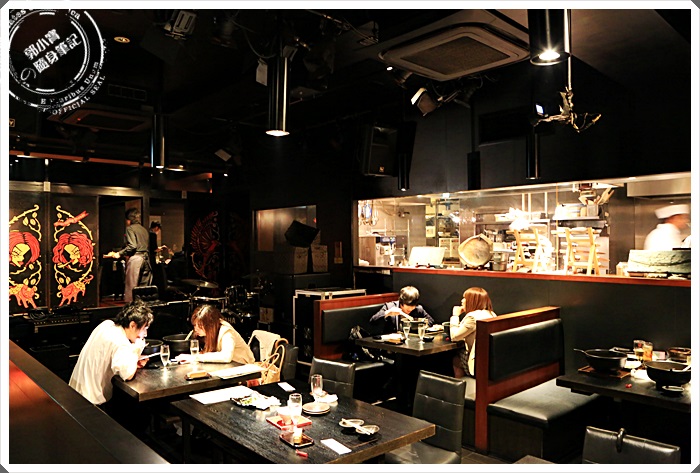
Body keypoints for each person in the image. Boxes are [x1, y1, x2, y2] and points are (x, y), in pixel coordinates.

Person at [69, 300, 153, 405]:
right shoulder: (121, 342)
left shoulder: (106, 325)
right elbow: (127, 375)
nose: (145, 334)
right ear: (132, 325)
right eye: (144, 328)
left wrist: (133, 362)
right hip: (89, 403)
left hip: (74, 392)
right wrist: (136, 351)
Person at [175, 304, 254, 364]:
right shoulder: (209, 333)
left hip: (244, 368)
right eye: (195, 325)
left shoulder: (227, 332)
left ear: (210, 325)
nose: (196, 329)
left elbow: (226, 357)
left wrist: (196, 357)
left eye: (200, 326)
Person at [449, 287, 497, 378]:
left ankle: (461, 384)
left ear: (472, 301)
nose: (462, 301)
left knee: (455, 359)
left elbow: (454, 337)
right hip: (489, 362)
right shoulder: (491, 314)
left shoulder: (472, 317)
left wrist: (455, 315)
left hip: (477, 364)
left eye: (465, 298)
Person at [106, 208, 152, 302]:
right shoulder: (144, 230)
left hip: (136, 258)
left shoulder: (130, 228)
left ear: (128, 220)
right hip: (147, 259)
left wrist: (119, 253)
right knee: (144, 288)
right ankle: (143, 307)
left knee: (131, 287)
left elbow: (132, 246)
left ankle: (131, 307)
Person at [369, 285, 434, 334]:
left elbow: (430, 320)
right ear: (401, 302)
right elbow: (373, 321)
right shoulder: (390, 307)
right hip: (392, 342)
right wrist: (387, 313)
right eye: (407, 307)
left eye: (412, 307)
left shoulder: (418, 309)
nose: (410, 309)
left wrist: (422, 325)